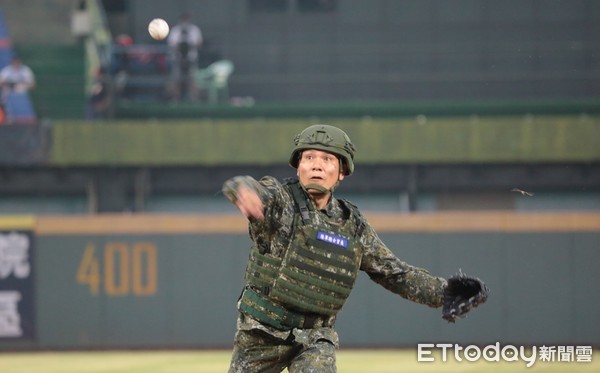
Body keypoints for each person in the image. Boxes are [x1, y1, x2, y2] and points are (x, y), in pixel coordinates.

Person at [222, 124, 487, 372]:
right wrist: (245, 191)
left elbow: (394, 273)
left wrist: (444, 292)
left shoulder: (352, 224)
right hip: (261, 334)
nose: (317, 166)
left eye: (327, 160)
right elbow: (256, 190)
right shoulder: (281, 200)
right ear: (298, 166)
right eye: (309, 158)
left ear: (342, 172)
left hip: (314, 338)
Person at [167, 13, 203, 101]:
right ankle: (175, 100)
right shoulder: (175, 30)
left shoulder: (194, 30)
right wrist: (181, 46)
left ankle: (194, 100)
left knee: (192, 81)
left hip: (191, 60)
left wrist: (190, 45)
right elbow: (172, 44)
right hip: (177, 60)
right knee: (176, 80)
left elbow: (199, 43)